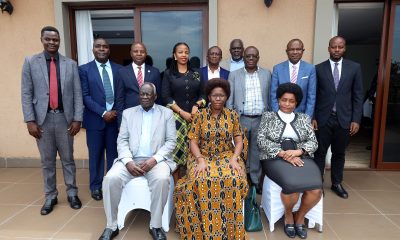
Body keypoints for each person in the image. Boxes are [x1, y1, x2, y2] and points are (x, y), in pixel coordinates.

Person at [99, 83, 177, 240]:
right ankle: (111, 225)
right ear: (138, 95)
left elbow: (171, 142)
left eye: (149, 94)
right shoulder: (128, 113)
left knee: (162, 179)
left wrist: (154, 160)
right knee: (110, 178)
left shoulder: (166, 114)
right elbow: (122, 141)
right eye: (142, 94)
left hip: (156, 160)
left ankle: (155, 226)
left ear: (155, 97)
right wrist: (128, 162)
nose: (145, 97)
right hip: (131, 159)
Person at [174, 78, 249, 240]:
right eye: (214, 95)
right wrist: (200, 159)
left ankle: (230, 229)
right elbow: (192, 141)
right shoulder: (200, 115)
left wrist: (235, 158)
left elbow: (239, 140)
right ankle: (202, 228)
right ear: (209, 97)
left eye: (221, 95)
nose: (218, 98)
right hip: (202, 155)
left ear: (226, 97)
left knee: (233, 178)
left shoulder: (232, 115)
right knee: (201, 178)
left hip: (227, 156)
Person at [21, 26, 83, 215]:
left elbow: (78, 93)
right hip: (43, 120)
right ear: (42, 39)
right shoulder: (31, 62)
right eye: (48, 39)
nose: (51, 42)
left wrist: (77, 119)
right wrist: (30, 120)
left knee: (68, 159)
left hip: (65, 119)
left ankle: (72, 193)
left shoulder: (70, 64)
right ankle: (50, 195)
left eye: (55, 40)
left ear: (59, 41)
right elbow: (26, 92)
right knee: (47, 160)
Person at [258, 83, 322, 239]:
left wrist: (298, 152)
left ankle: (300, 217)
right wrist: (283, 154)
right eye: (284, 100)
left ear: (296, 103)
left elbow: (313, 142)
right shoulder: (268, 116)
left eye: (291, 101)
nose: (287, 104)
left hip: (302, 156)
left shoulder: (304, 118)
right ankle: (288, 216)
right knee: (291, 185)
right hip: (274, 158)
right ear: (278, 100)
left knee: (316, 189)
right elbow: (261, 140)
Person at [312, 36, 363, 199]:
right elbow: (314, 95)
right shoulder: (318, 69)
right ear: (328, 48)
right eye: (334, 47)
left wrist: (356, 119)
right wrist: (313, 116)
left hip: (344, 120)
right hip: (323, 119)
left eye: (340, 47)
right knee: (319, 153)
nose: (337, 50)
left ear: (344, 48)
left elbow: (358, 95)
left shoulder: (354, 68)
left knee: (339, 153)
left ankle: (336, 183)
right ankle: (317, 184)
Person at [79, 38, 122, 201]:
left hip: (114, 120)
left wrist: (116, 112)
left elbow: (120, 94)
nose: (102, 49)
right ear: (93, 49)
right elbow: (85, 96)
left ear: (109, 50)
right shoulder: (84, 70)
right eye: (98, 46)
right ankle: (96, 186)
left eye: (105, 46)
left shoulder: (119, 69)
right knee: (95, 155)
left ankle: (111, 185)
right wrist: (103, 112)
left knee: (114, 155)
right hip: (95, 120)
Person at [226, 46, 271, 194]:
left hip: (260, 119)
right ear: (243, 58)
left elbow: (269, 97)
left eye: (254, 56)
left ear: (258, 58)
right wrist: (232, 119)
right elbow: (230, 99)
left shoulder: (266, 74)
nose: (251, 58)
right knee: (241, 150)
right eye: (248, 56)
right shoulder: (234, 75)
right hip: (241, 119)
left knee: (257, 151)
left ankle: (256, 181)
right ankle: (242, 178)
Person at [161, 42, 206, 180]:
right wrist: (181, 112)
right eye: (180, 52)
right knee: (176, 157)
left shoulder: (196, 73)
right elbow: (165, 97)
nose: (184, 55)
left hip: (195, 119)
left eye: (186, 52)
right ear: (174, 55)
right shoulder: (168, 74)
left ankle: (192, 188)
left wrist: (197, 106)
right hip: (176, 121)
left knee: (194, 154)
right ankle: (176, 191)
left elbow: (204, 94)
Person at [115, 42, 161, 126]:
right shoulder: (122, 72)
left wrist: (159, 118)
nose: (139, 54)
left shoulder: (155, 72)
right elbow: (119, 99)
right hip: (130, 117)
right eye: (136, 51)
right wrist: (120, 123)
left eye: (142, 51)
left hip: (151, 116)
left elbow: (159, 98)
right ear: (131, 53)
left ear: (146, 53)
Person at [270, 39, 316, 117]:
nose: (295, 52)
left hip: (301, 114)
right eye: (292, 49)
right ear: (287, 51)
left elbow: (311, 96)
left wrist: (307, 117)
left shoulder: (310, 69)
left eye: (298, 49)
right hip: (281, 114)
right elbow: (273, 94)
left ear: (303, 51)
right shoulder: (277, 68)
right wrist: (277, 115)